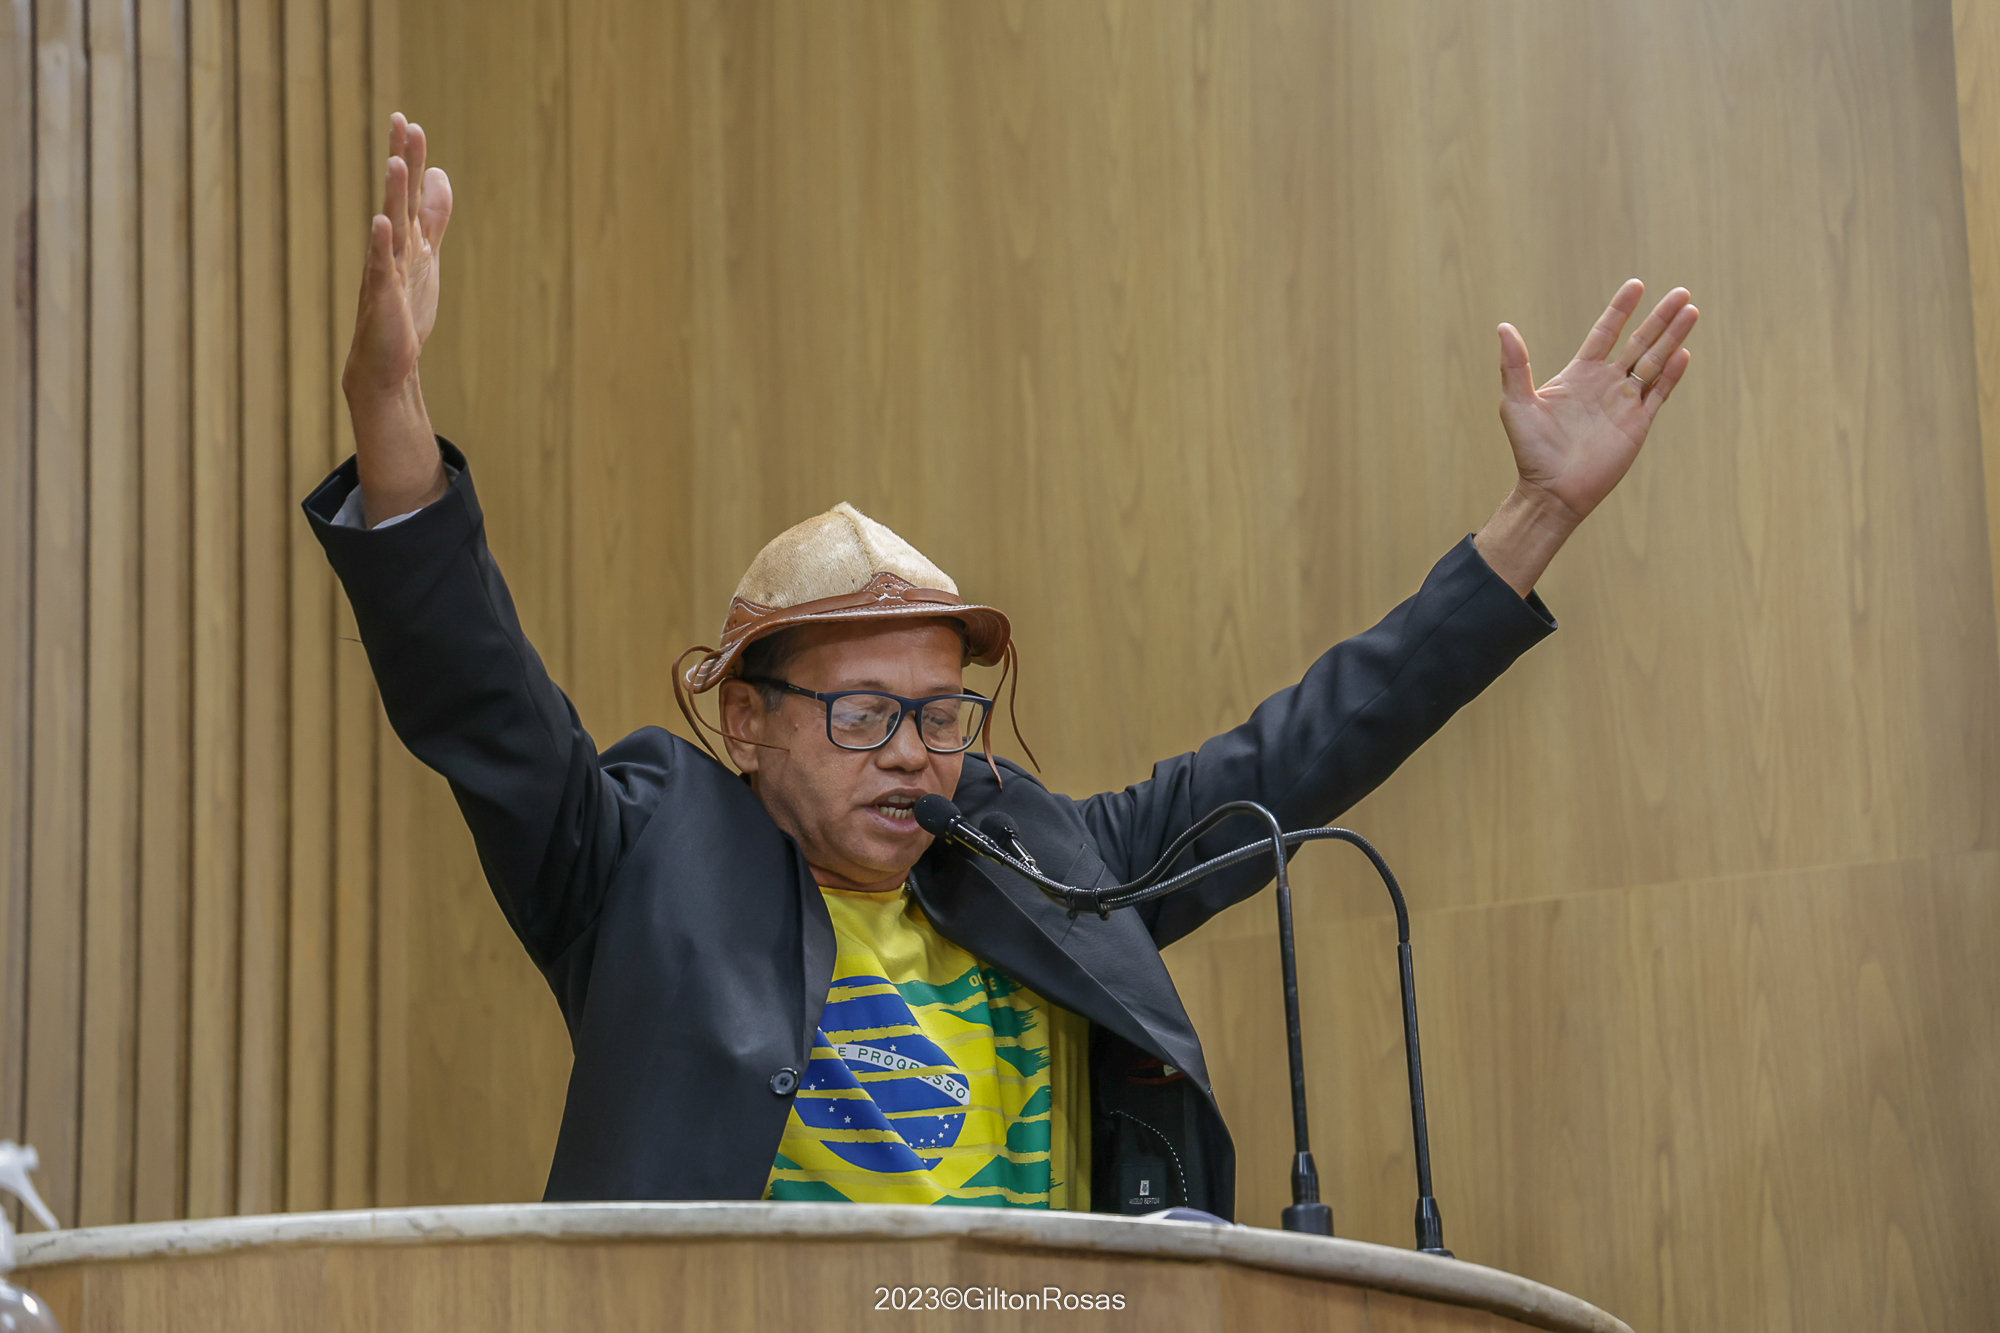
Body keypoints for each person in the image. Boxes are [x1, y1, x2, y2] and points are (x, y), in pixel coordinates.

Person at [306, 115, 1697, 1217]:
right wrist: (389, 410)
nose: (916, 750)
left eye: (941, 712)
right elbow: (477, 692)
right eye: (864, 712)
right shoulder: (638, 858)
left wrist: (1539, 516)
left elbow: (1305, 747)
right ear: (747, 719)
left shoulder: (1044, 863)